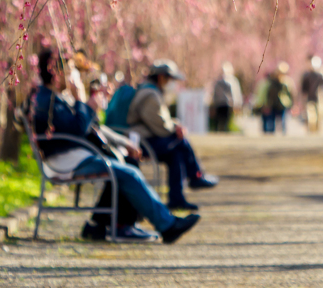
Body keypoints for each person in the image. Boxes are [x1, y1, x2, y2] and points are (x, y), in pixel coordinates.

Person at [27, 49, 200, 244]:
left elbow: (89, 128)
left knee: (129, 163)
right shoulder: (46, 100)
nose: (73, 76)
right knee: (128, 173)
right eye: (69, 70)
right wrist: (86, 103)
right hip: (66, 161)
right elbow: (76, 130)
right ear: (56, 72)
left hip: (78, 155)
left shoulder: (56, 96)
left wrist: (121, 140)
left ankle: (105, 225)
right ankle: (166, 225)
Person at [127, 59, 218, 210]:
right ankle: (196, 175)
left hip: (144, 140)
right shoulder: (150, 95)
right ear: (161, 77)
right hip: (141, 143)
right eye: (170, 79)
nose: (172, 83)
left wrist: (174, 125)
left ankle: (177, 199)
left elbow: (162, 122)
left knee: (175, 154)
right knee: (180, 141)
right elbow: (161, 127)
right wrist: (176, 128)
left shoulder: (151, 92)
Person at [259, 62, 294, 134]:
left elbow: (291, 94)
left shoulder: (287, 82)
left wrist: (292, 104)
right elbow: (267, 93)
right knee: (271, 122)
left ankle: (283, 134)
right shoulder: (271, 82)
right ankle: (271, 134)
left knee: (283, 120)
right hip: (272, 103)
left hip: (283, 104)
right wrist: (265, 103)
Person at [301, 56, 323, 133]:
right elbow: (303, 88)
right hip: (310, 98)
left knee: (320, 116)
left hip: (320, 98)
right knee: (311, 117)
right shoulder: (306, 75)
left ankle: (318, 131)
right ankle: (312, 131)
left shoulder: (321, 75)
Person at [211, 62, 242, 132]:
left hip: (219, 103)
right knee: (226, 121)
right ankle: (224, 131)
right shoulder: (233, 81)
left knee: (221, 121)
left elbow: (215, 94)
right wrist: (237, 103)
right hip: (228, 103)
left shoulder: (218, 81)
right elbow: (235, 93)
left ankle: (221, 131)